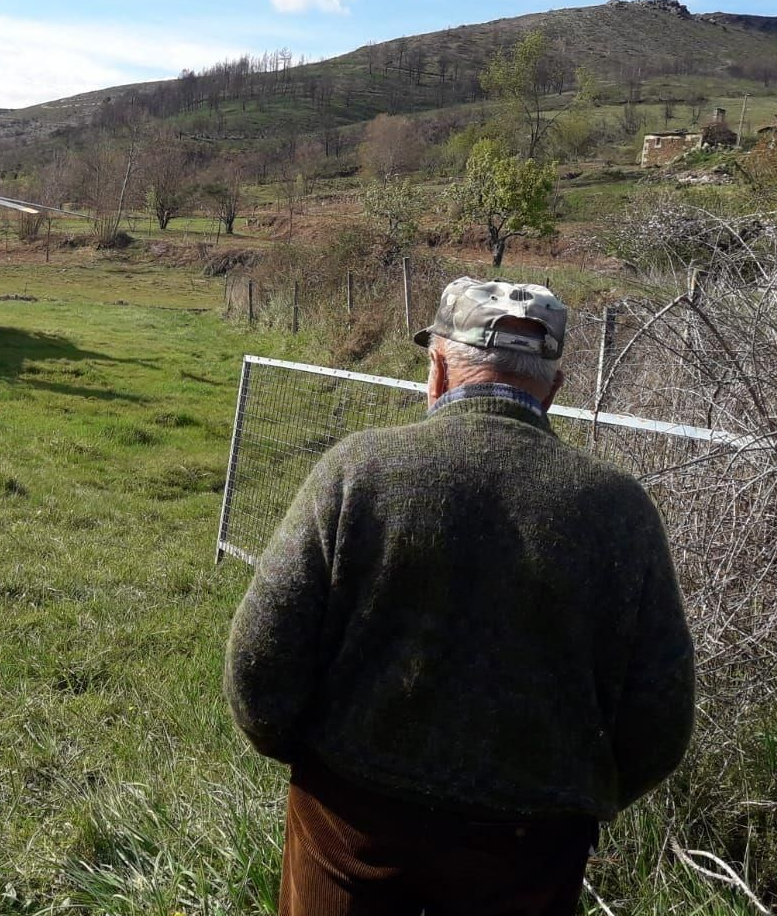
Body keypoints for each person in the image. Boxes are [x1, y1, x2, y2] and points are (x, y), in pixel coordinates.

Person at [225, 277, 695, 916]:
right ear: (553, 389)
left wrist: (316, 765)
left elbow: (258, 665)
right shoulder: (620, 510)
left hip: (349, 823)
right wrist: (572, 797)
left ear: (438, 369)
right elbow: (661, 720)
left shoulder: (356, 470)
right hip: (529, 850)